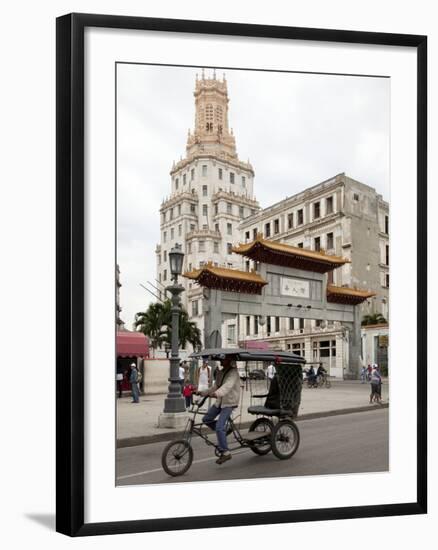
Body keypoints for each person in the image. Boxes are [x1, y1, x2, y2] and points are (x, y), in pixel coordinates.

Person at [200, 356, 241, 465]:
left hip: (229, 402)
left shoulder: (233, 373)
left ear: (229, 361)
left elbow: (227, 386)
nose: (221, 361)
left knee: (219, 427)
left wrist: (216, 393)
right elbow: (216, 386)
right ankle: (225, 429)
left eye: (223, 359)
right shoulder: (221, 372)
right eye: (221, 359)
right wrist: (202, 392)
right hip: (220, 402)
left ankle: (226, 452)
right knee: (206, 419)